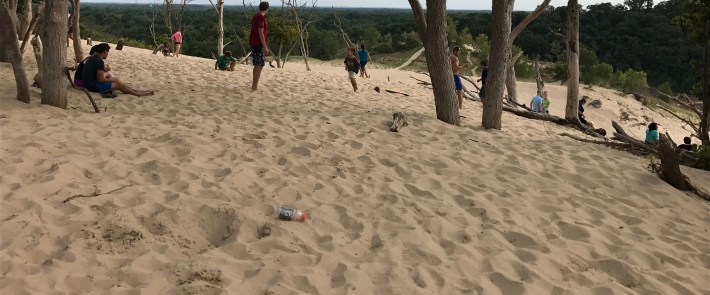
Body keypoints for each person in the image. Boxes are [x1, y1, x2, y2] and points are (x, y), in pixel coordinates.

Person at [82, 43, 154, 97]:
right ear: (104, 52)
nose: (107, 54)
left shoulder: (93, 58)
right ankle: (138, 94)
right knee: (118, 84)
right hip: (92, 86)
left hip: (88, 84)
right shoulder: (99, 61)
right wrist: (112, 79)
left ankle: (135, 91)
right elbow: (100, 79)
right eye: (108, 52)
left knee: (117, 81)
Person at [249, 1, 270, 91]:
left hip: (254, 42)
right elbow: (260, 32)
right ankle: (254, 86)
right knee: (259, 64)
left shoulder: (256, 16)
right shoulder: (260, 17)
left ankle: (254, 85)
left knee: (258, 64)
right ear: (267, 8)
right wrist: (265, 46)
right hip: (258, 44)